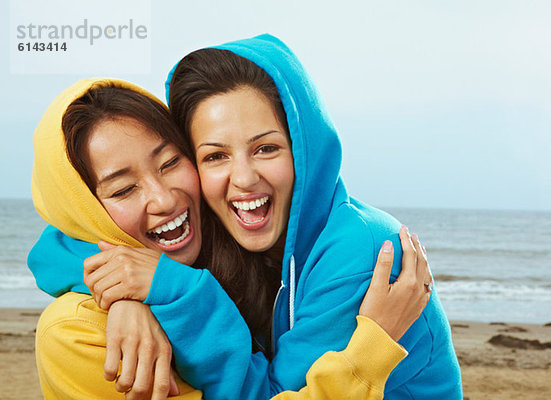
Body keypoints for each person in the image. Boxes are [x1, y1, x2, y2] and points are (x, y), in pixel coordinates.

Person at [31, 35, 462, 398]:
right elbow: (58, 245)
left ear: (303, 148)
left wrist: (171, 286)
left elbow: (274, 395)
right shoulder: (224, 228)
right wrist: (120, 292)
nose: (243, 178)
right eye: (215, 155)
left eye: (266, 148)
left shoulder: (361, 253)